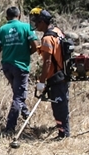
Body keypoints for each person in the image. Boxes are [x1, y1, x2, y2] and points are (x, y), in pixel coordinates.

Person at [0, 6, 39, 137]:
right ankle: (10, 127)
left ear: (7, 17)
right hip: (21, 66)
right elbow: (36, 46)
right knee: (19, 96)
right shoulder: (26, 27)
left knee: (17, 92)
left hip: (7, 66)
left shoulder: (2, 29)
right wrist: (25, 53)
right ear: (19, 16)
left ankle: (26, 114)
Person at [29, 8, 70, 140]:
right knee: (62, 104)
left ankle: (63, 133)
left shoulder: (47, 38)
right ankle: (63, 130)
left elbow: (47, 62)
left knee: (59, 106)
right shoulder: (57, 31)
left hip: (56, 76)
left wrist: (41, 82)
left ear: (43, 22)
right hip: (63, 73)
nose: (35, 24)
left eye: (36, 22)